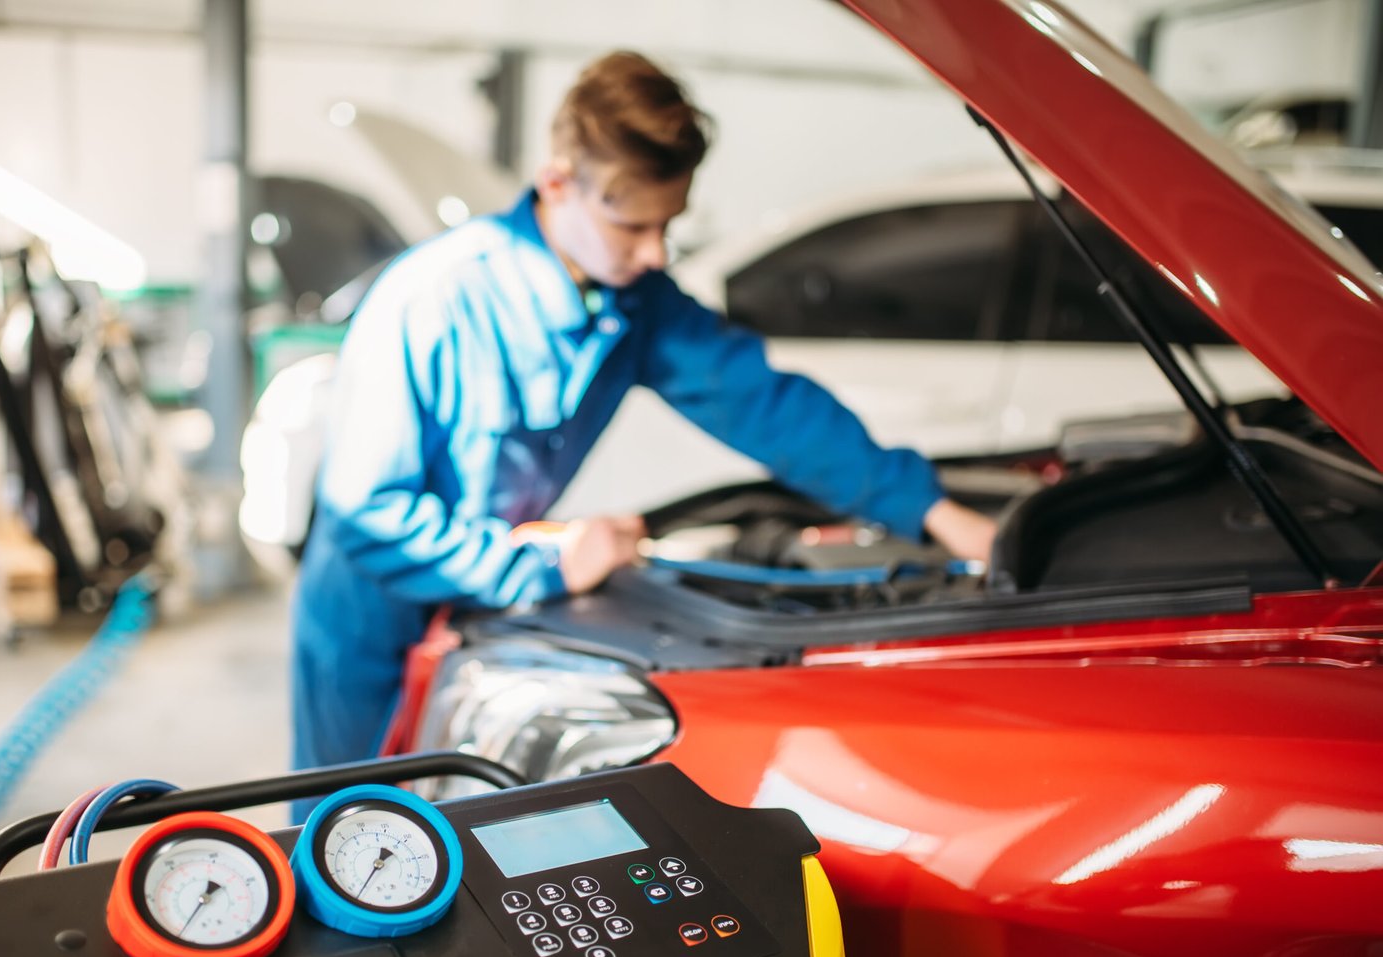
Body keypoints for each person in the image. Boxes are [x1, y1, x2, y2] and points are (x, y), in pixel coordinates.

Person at [290, 51, 996, 803]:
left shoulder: (637, 302)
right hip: (366, 628)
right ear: (558, 183)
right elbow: (371, 513)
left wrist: (933, 512)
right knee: (348, 834)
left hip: (481, 602)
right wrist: (546, 567)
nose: (655, 252)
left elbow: (768, 405)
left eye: (668, 225)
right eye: (633, 225)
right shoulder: (432, 301)